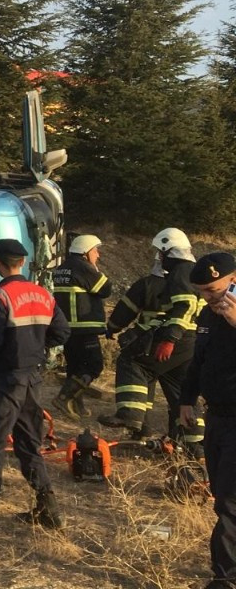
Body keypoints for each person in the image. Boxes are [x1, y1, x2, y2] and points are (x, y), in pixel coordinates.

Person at [0, 238, 70, 534]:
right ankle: (48, 509)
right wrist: (37, 347)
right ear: (23, 262)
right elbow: (62, 332)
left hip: (4, 381)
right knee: (30, 446)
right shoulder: (43, 294)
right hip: (32, 380)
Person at [99, 228, 203, 450]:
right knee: (182, 391)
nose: (160, 258)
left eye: (161, 252)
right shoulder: (193, 272)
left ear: (168, 251)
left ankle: (131, 417)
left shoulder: (180, 271)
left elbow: (186, 305)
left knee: (133, 361)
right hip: (193, 342)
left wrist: (170, 339)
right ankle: (194, 444)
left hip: (177, 337)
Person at [181, 252, 236, 589]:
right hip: (217, 418)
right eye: (202, 291)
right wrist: (186, 399)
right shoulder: (208, 314)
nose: (209, 297)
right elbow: (198, 361)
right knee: (221, 496)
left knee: (231, 500)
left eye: (214, 289)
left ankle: (225, 579)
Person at [50, 233, 112, 419]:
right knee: (93, 366)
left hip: (66, 328)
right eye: (95, 250)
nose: (98, 255)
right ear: (85, 251)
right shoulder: (83, 268)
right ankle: (63, 397)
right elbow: (106, 289)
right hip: (84, 328)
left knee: (75, 368)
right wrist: (94, 268)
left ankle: (77, 406)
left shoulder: (62, 268)